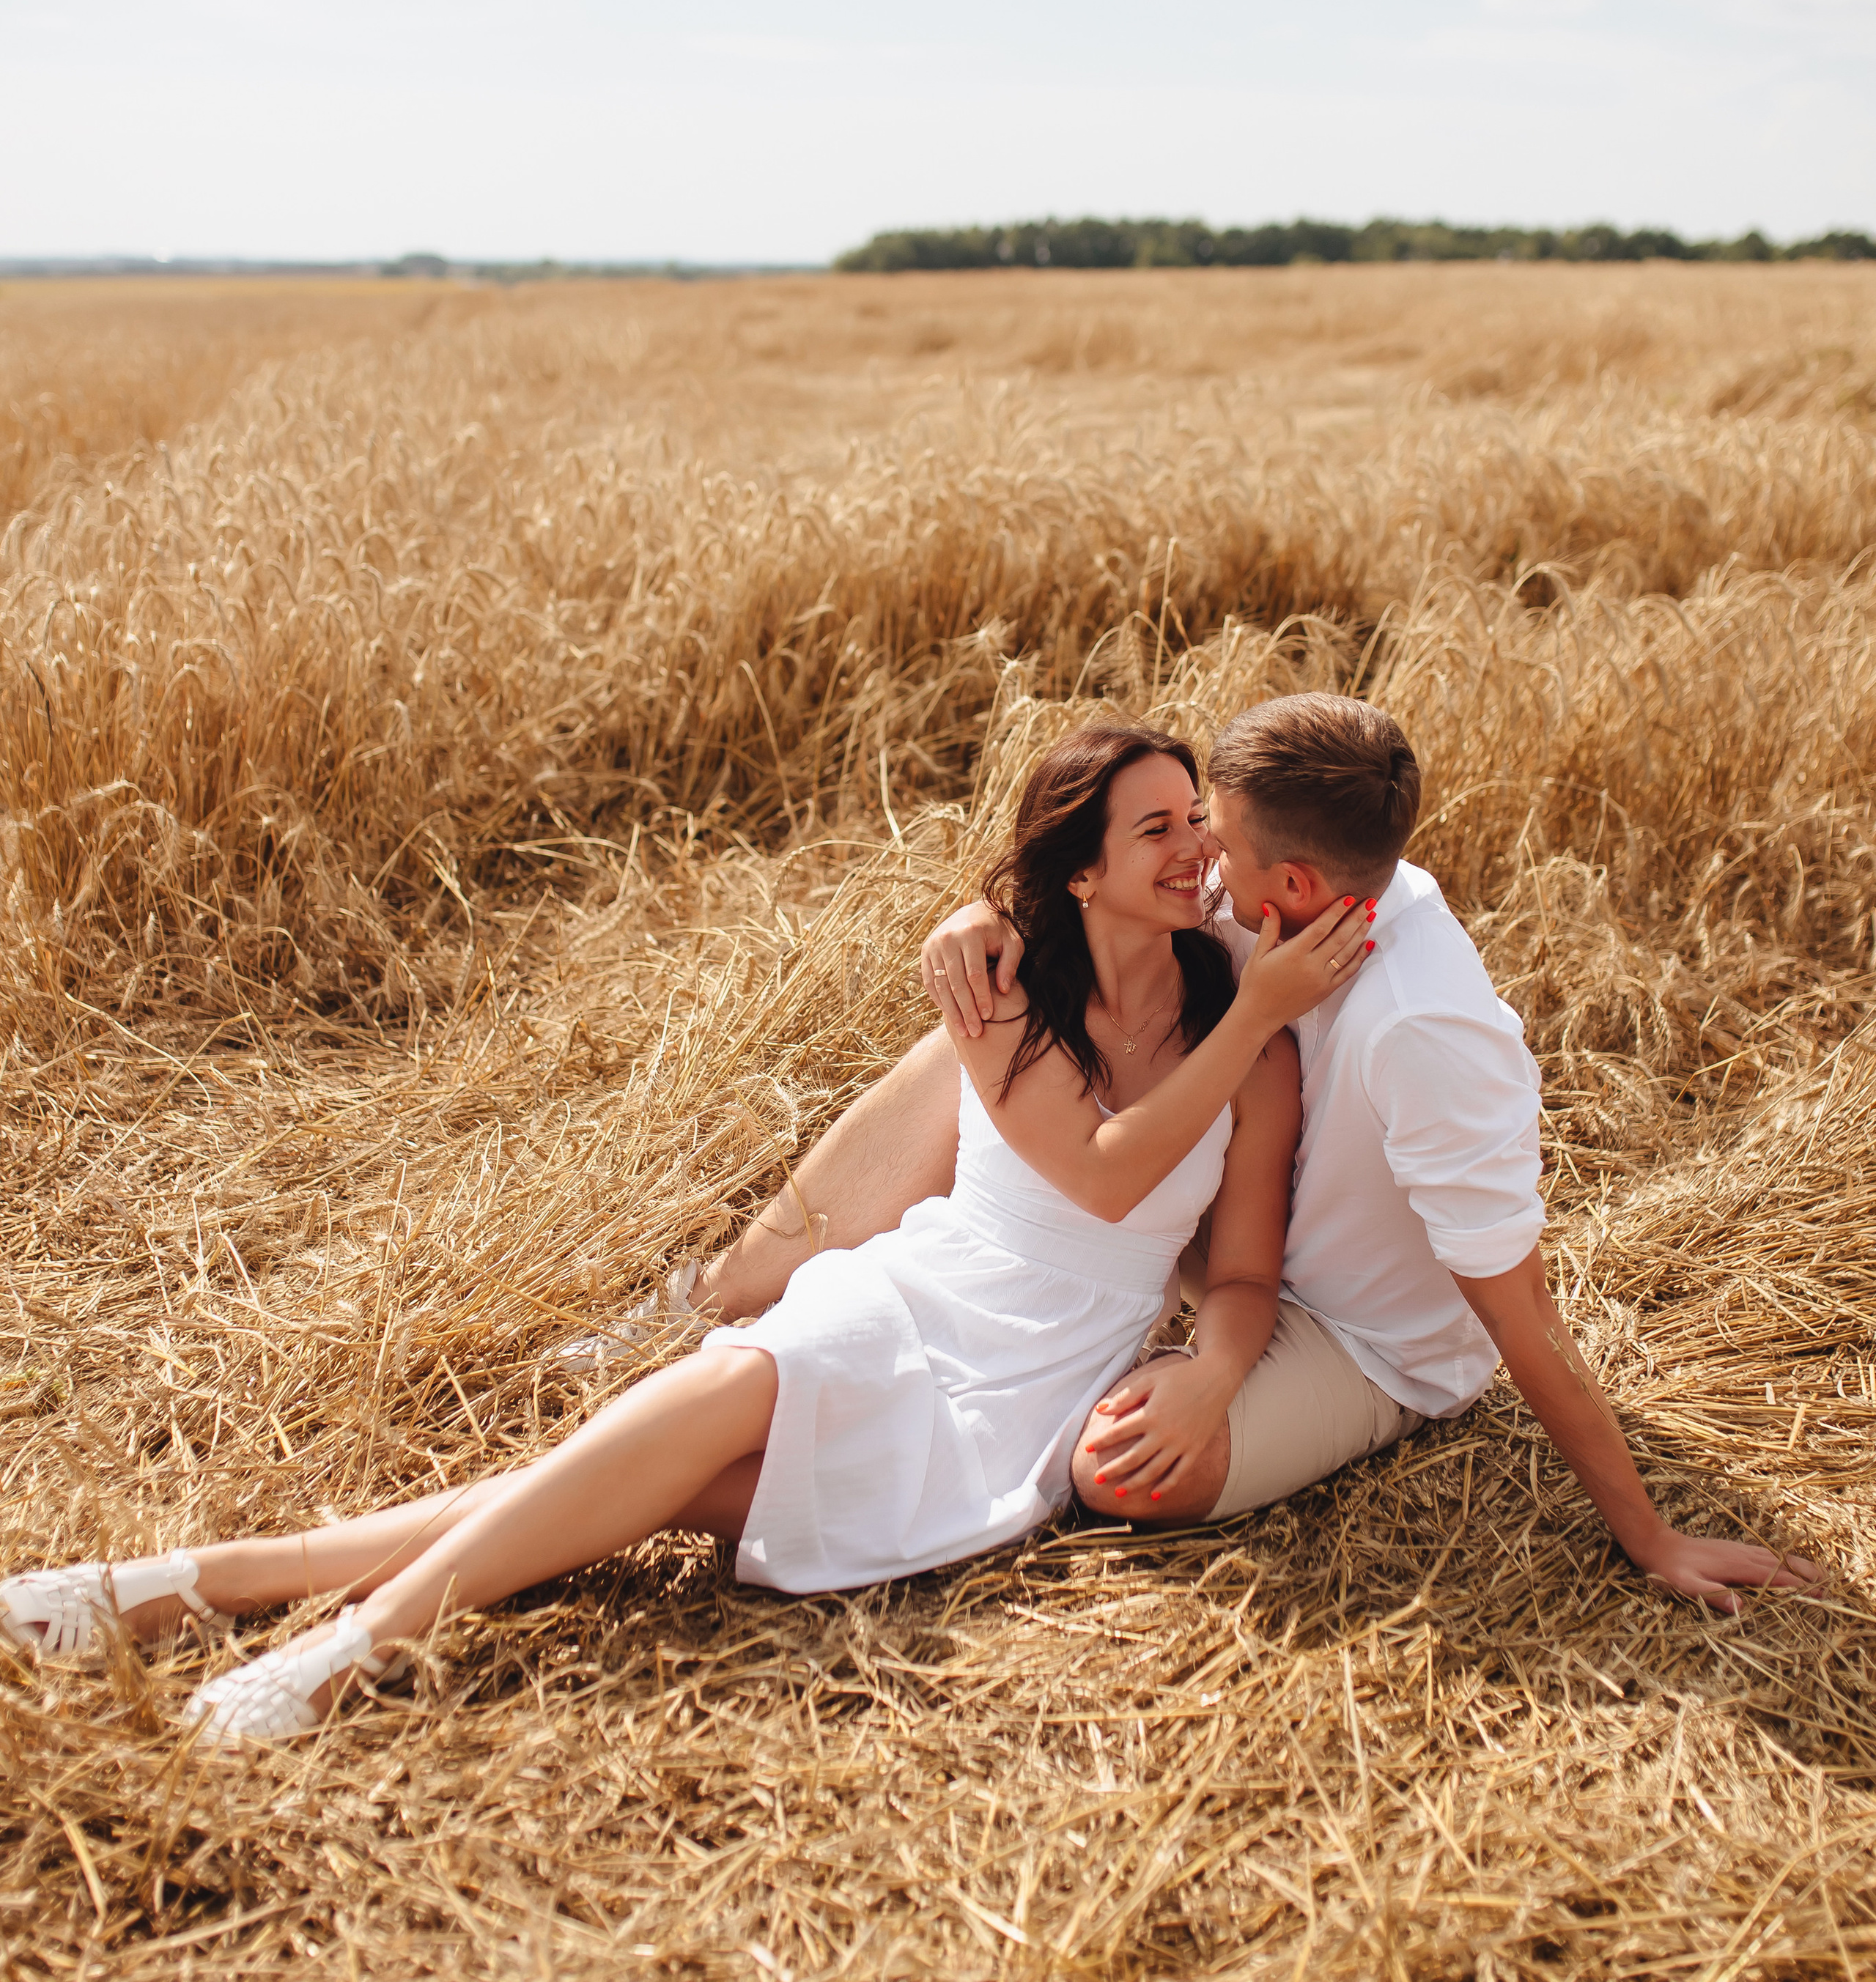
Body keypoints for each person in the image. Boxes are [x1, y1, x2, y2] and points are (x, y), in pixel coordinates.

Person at [1, 725, 1371, 1743]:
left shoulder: (1251, 1040)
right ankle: (342, 1652)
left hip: (1034, 1386)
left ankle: (168, 1588)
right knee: (718, 1385)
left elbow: (1240, 1271)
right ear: (1078, 875)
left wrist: (1211, 1369)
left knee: (603, 1492)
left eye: (1199, 819)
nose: (1200, 849)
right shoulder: (1011, 997)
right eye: (1159, 830)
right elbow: (1102, 1170)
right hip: (917, 1295)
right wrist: (1225, 1003)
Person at [693, 694, 1816, 1616]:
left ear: (1296, 888)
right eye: (1188, 833)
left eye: (1212, 840)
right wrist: (977, 920)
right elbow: (1099, 899)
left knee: (1118, 1469)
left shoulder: (1428, 1033)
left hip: (1349, 1333)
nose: (1195, 858)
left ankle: (756, 1478)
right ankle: (711, 1301)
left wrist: (1650, 1534)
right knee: (974, 1039)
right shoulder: (1274, 897)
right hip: (1206, 1222)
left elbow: (1522, 1314)